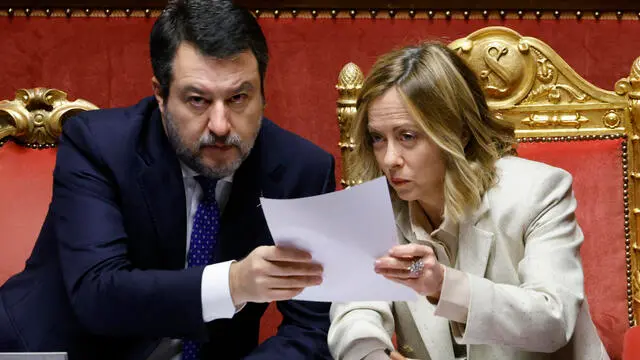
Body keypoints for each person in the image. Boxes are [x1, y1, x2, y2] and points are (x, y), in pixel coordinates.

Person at [0, 0, 335, 359]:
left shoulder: (303, 171)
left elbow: (310, 328)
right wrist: (234, 283)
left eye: (239, 98)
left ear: (263, 94)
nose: (221, 126)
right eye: (197, 100)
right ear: (160, 95)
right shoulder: (99, 146)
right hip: (55, 351)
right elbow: (98, 294)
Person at [327, 43, 609, 360]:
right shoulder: (369, 210)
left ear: (458, 132)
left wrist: (445, 286)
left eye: (407, 136)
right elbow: (354, 319)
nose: (390, 159)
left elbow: (553, 321)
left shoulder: (539, 191)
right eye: (378, 138)